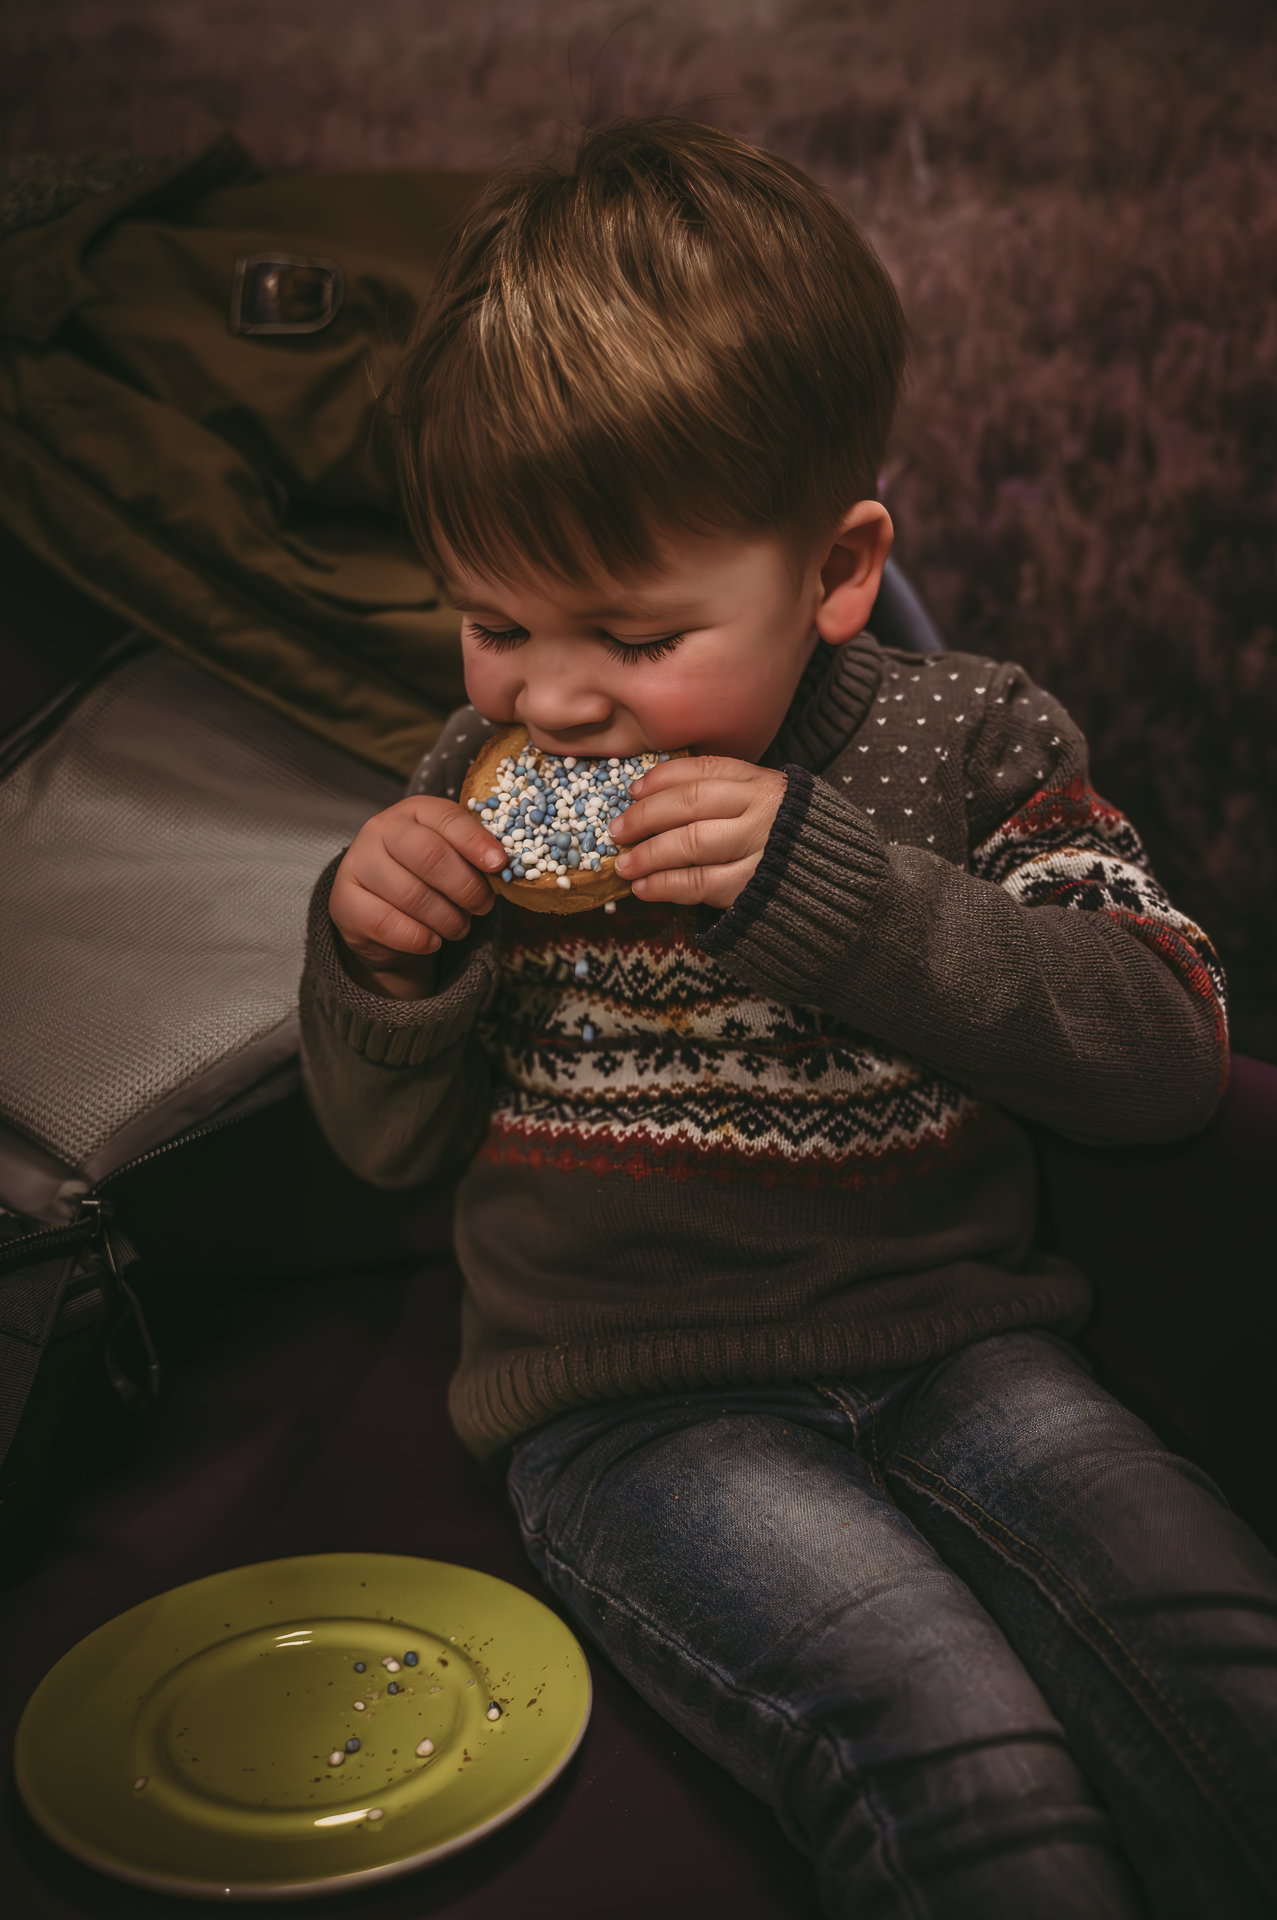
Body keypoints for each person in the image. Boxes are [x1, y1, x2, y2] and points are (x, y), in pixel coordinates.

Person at [299, 119, 1277, 1919]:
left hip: (973, 1352)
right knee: (943, 1736)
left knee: (1220, 1657)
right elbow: (379, 1149)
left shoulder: (968, 743)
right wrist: (382, 968)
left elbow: (1159, 1060)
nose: (558, 700)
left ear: (835, 572)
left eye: (635, 632)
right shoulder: (476, 784)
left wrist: (831, 892)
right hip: (637, 1415)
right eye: (496, 622)